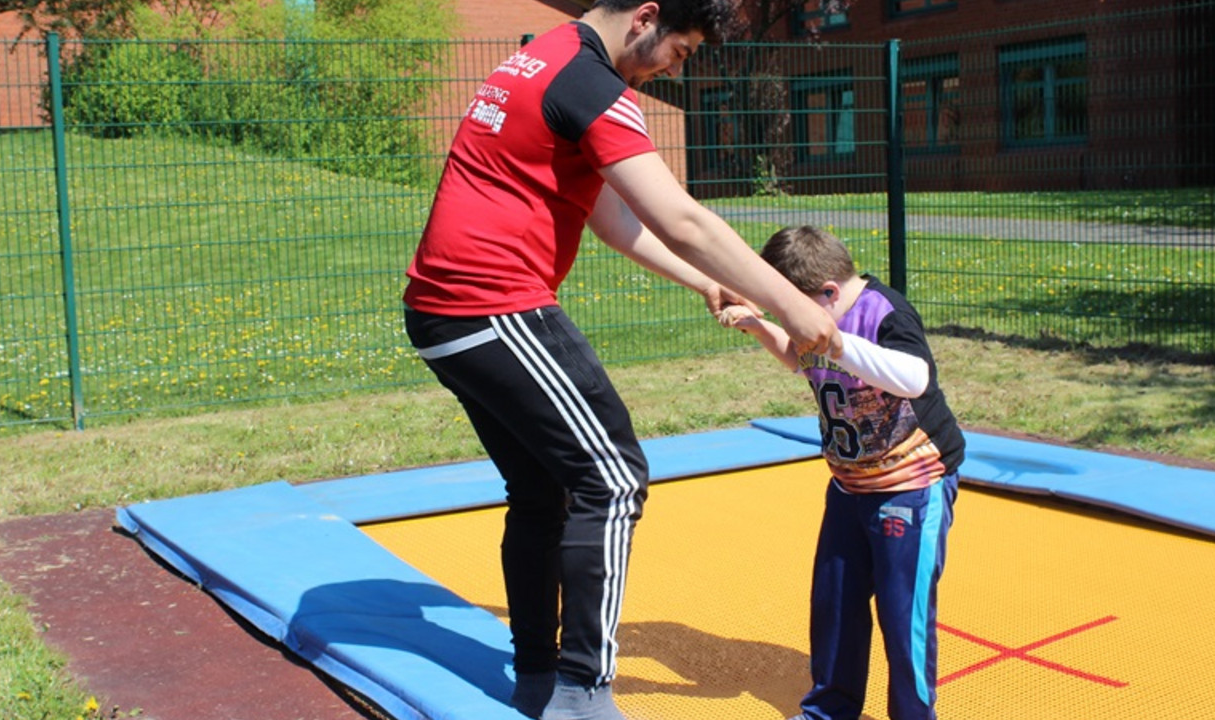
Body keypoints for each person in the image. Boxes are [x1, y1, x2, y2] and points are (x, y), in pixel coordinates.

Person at [402, 2, 842, 718]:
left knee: (547, 488)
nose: (679, 66)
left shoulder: (546, 55)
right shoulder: (590, 84)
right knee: (612, 478)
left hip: (443, 311)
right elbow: (684, 218)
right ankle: (582, 694)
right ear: (646, 16)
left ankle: (539, 676)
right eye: (683, 49)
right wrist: (793, 306)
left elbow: (612, 215)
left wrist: (707, 281)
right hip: (490, 304)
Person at [718, 226, 965, 720]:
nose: (790, 322)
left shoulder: (884, 312)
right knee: (835, 603)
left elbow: (915, 377)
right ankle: (830, 709)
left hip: (909, 486)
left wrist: (837, 344)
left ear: (828, 293)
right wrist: (760, 326)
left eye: (792, 310)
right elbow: (799, 356)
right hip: (849, 485)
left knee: (902, 616)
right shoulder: (817, 321)